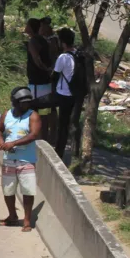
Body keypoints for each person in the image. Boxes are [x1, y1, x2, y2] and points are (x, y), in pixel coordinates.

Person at [0, 87, 42, 232]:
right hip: (9, 159)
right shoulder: (6, 114)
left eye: (27, 103)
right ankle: (12, 216)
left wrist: (13, 143)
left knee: (27, 190)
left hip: (26, 160)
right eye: (22, 103)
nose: (25, 106)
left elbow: (33, 135)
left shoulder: (33, 116)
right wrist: (0, 140)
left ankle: (27, 220)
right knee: (8, 190)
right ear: (15, 102)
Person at [53, 28, 84, 160]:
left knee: (63, 125)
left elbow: (55, 75)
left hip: (64, 94)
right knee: (74, 122)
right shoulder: (78, 54)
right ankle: (76, 151)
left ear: (63, 42)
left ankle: (59, 153)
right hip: (77, 94)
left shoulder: (63, 57)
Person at [24, 17, 55, 141]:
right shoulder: (42, 40)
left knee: (37, 112)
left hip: (37, 83)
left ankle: (39, 140)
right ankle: (45, 139)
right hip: (44, 83)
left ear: (31, 28)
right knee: (45, 113)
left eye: (27, 25)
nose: (25, 27)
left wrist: (44, 69)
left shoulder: (33, 41)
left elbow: (37, 59)